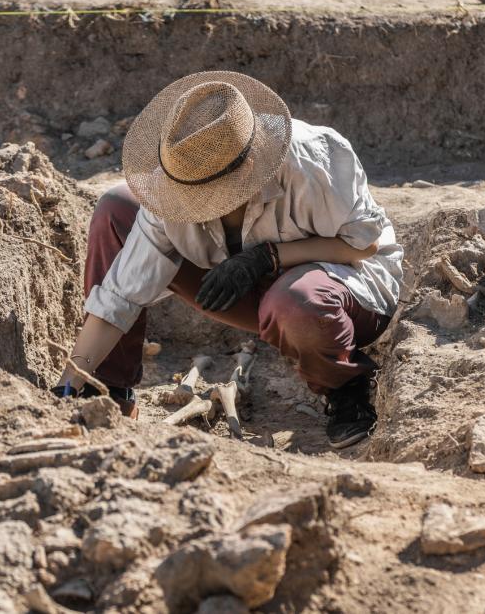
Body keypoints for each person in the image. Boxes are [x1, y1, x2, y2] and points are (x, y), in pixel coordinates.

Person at [53, 71, 403, 448]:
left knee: (296, 301)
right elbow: (120, 294)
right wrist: (72, 381)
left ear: (248, 168)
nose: (194, 207)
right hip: (248, 292)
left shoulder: (314, 160)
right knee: (117, 207)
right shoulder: (178, 179)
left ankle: (345, 385)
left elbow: (363, 245)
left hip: (345, 290)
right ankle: (106, 392)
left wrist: (267, 257)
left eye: (210, 195)